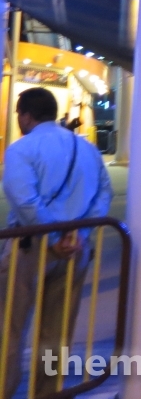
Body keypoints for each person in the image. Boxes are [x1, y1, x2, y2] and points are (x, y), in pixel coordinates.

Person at [0, 88, 113, 398]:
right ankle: (47, 392)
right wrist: (78, 235)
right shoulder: (87, 149)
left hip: (30, 247)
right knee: (57, 331)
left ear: (25, 116)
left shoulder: (21, 150)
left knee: (9, 328)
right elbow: (104, 193)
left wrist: (52, 237)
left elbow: (25, 201)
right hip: (75, 250)